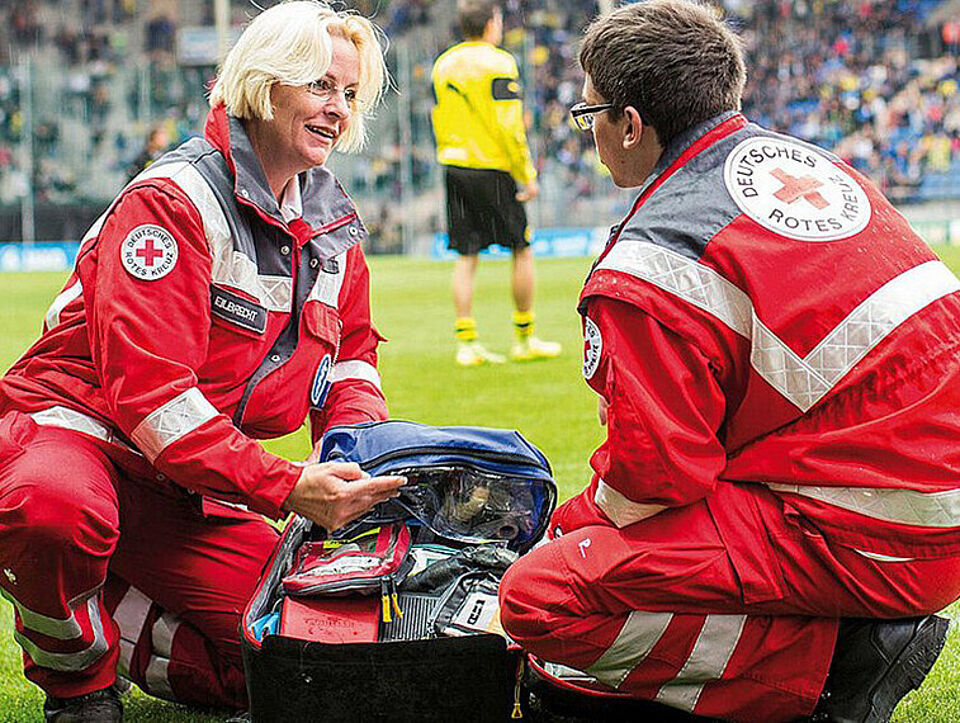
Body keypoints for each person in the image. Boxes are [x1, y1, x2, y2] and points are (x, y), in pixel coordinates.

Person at [499, 2, 960, 721]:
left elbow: (654, 482)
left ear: (629, 124)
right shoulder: (813, 164)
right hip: (923, 499)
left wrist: (567, 527)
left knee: (540, 595)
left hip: (876, 532)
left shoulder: (654, 258)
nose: (590, 134)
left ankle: (837, 667)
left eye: (589, 114)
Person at [0, 3, 406, 720]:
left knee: (300, 657)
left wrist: (354, 457)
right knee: (55, 512)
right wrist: (285, 485)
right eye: (319, 86)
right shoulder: (172, 202)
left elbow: (351, 360)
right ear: (264, 84)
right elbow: (153, 400)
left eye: (349, 93)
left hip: (186, 477)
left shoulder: (333, 228)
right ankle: (78, 683)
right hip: (76, 440)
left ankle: (107, 588)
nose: (339, 109)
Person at [430, 0, 561, 366]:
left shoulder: (443, 64)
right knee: (521, 248)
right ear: (491, 24)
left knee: (465, 255)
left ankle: (466, 342)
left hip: (455, 165)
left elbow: (437, 116)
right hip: (493, 166)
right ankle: (524, 336)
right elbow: (509, 126)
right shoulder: (499, 62)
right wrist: (526, 175)